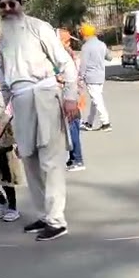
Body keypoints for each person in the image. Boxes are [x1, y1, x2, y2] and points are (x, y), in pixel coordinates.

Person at [0, 0, 80, 242]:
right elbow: (4, 83)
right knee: (29, 160)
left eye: (10, 3)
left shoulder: (39, 28)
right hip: (20, 101)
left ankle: (57, 220)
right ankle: (44, 214)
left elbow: (66, 64)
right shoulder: (3, 39)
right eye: (1, 5)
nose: (7, 8)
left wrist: (71, 97)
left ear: (20, 3)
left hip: (45, 96)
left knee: (51, 161)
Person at [57, 28, 86, 172]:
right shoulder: (69, 54)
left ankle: (78, 159)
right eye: (68, 41)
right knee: (71, 127)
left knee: (73, 127)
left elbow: (70, 77)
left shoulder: (65, 56)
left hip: (72, 98)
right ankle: (73, 157)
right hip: (75, 96)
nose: (69, 44)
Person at [77, 23, 111, 132]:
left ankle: (106, 122)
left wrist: (80, 77)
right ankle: (89, 123)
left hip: (91, 77)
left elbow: (84, 65)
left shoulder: (86, 47)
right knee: (95, 100)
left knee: (97, 100)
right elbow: (109, 57)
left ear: (85, 35)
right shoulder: (102, 44)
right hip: (101, 76)